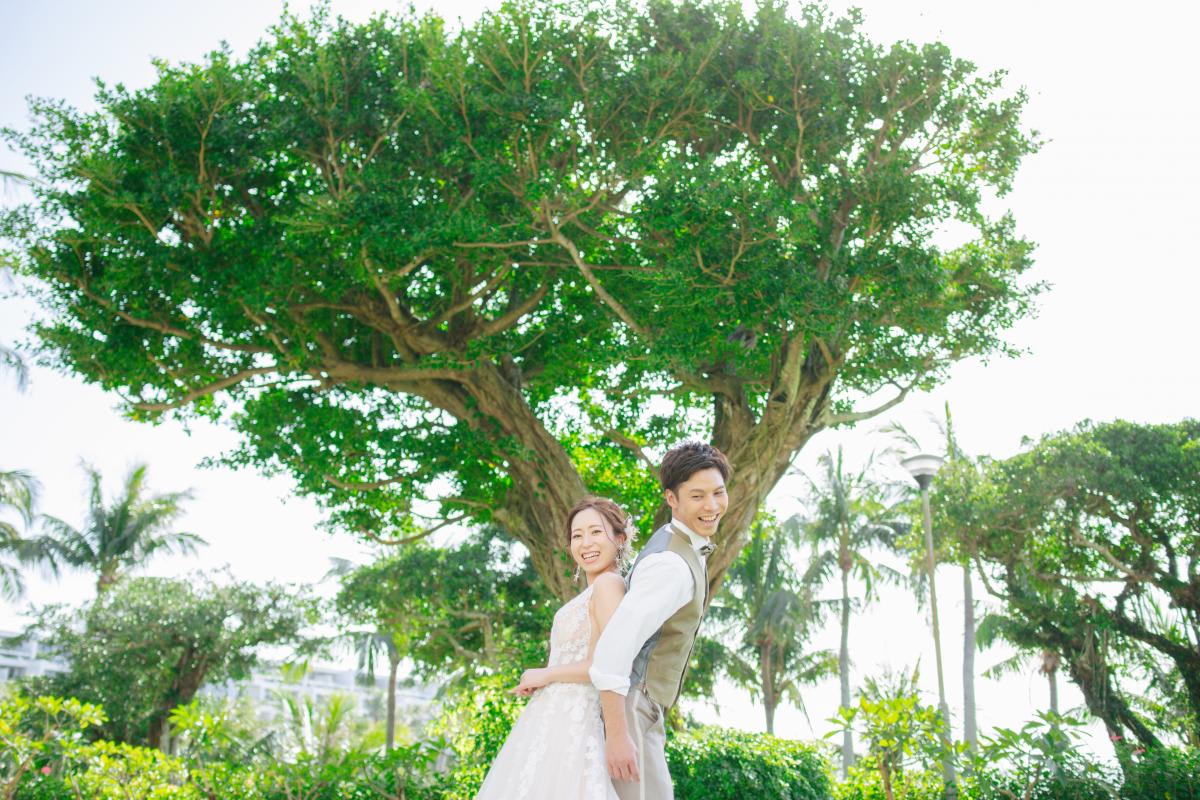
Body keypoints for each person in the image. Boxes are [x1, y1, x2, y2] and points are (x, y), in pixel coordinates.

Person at [589, 441, 732, 800]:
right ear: (672, 499)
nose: (712, 506)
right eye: (697, 496)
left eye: (718, 492)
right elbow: (612, 650)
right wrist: (618, 735)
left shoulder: (679, 544)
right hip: (632, 705)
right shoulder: (670, 564)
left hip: (643, 707)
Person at [474, 496, 633, 800]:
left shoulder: (609, 585)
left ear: (620, 538)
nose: (586, 543)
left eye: (596, 532)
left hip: (574, 720)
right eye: (577, 535)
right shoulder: (595, 589)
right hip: (554, 718)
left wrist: (544, 674)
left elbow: (607, 662)